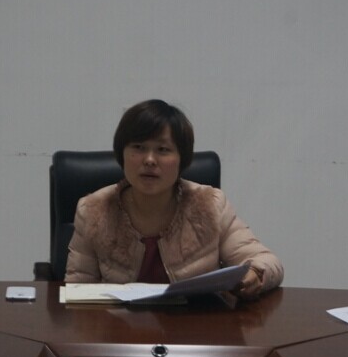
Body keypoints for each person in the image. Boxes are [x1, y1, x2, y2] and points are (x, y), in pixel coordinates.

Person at [65, 99, 283, 299]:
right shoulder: (93, 210)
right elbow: (77, 289)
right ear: (122, 153)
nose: (150, 160)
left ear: (182, 159)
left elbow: (268, 262)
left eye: (163, 150)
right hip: (119, 326)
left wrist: (255, 273)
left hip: (196, 324)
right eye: (138, 147)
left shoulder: (210, 205)